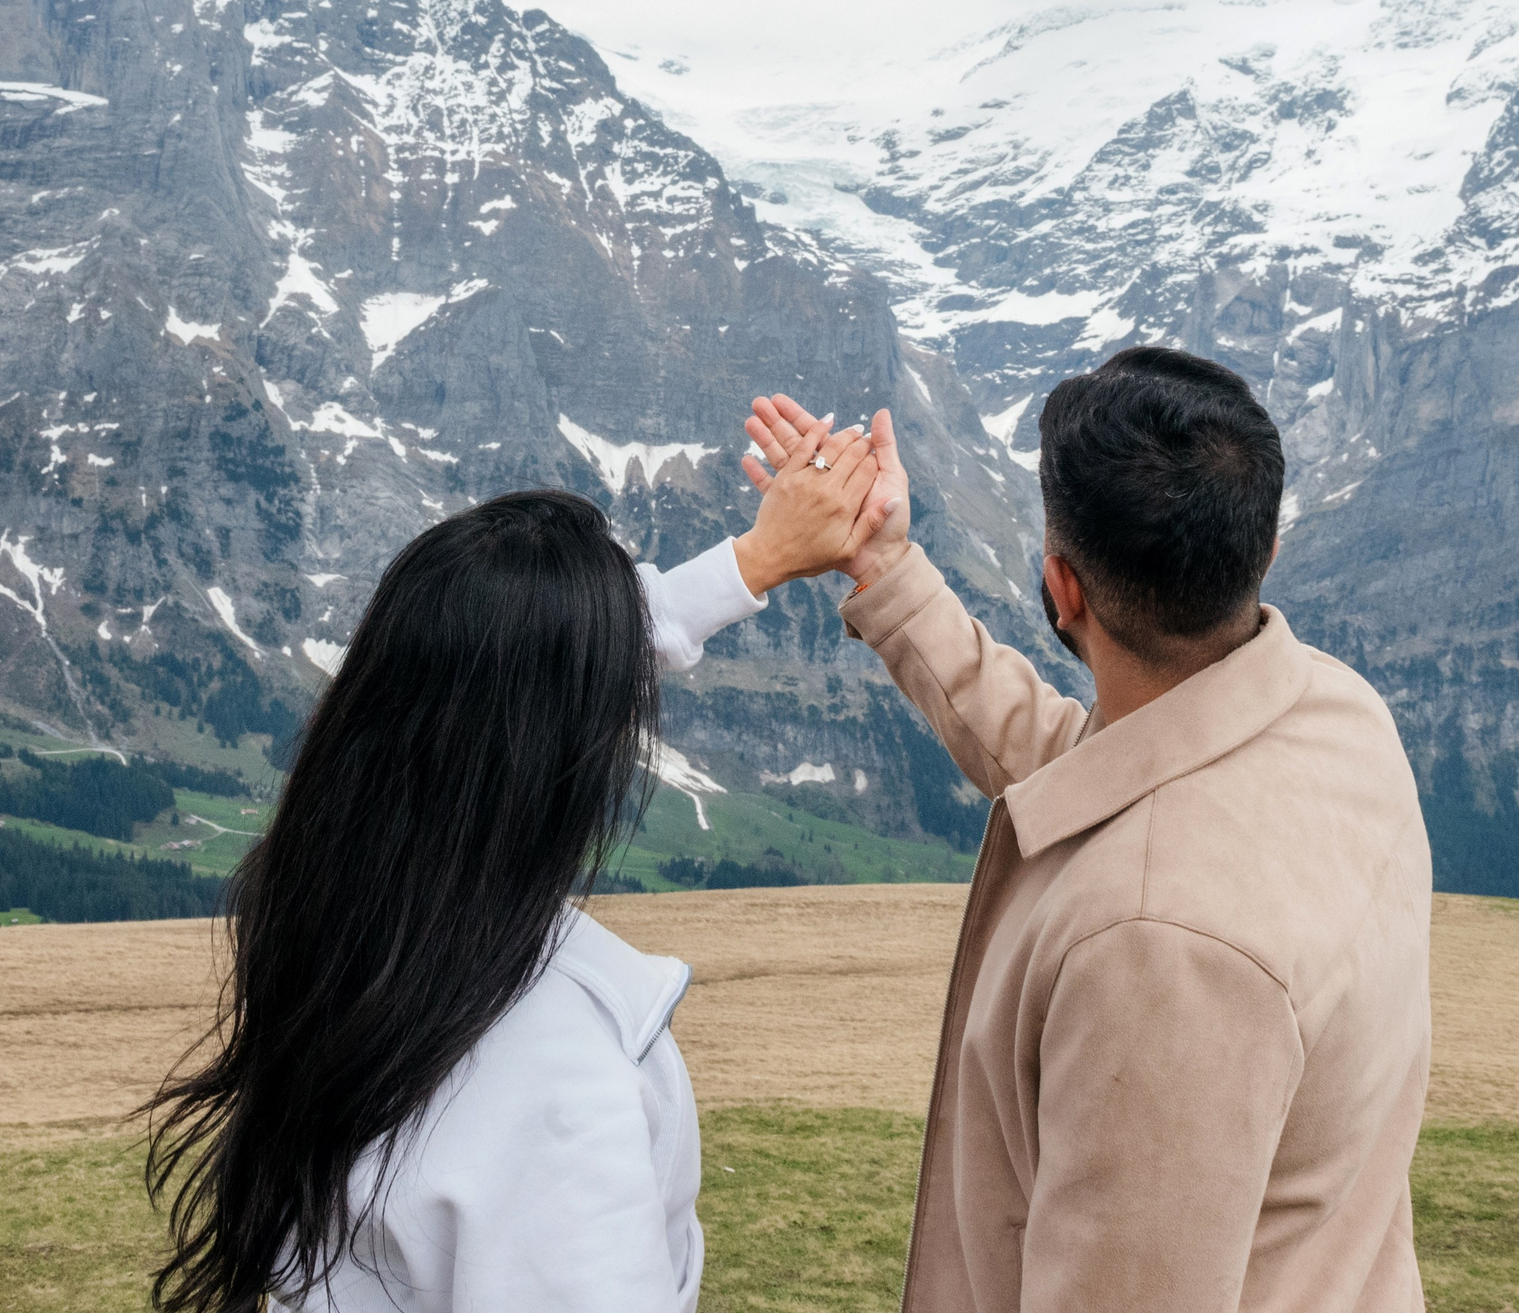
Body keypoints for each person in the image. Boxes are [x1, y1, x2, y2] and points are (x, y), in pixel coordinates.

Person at [743, 349, 1432, 1312]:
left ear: (1062, 589)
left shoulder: (1156, 951)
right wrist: (884, 567)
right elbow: (1102, 770)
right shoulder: (1338, 715)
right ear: (1263, 552)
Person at [143, 420, 886, 1313]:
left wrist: (754, 560)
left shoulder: (329, 913)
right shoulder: (559, 1076)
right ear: (566, 754)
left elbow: (496, 671)